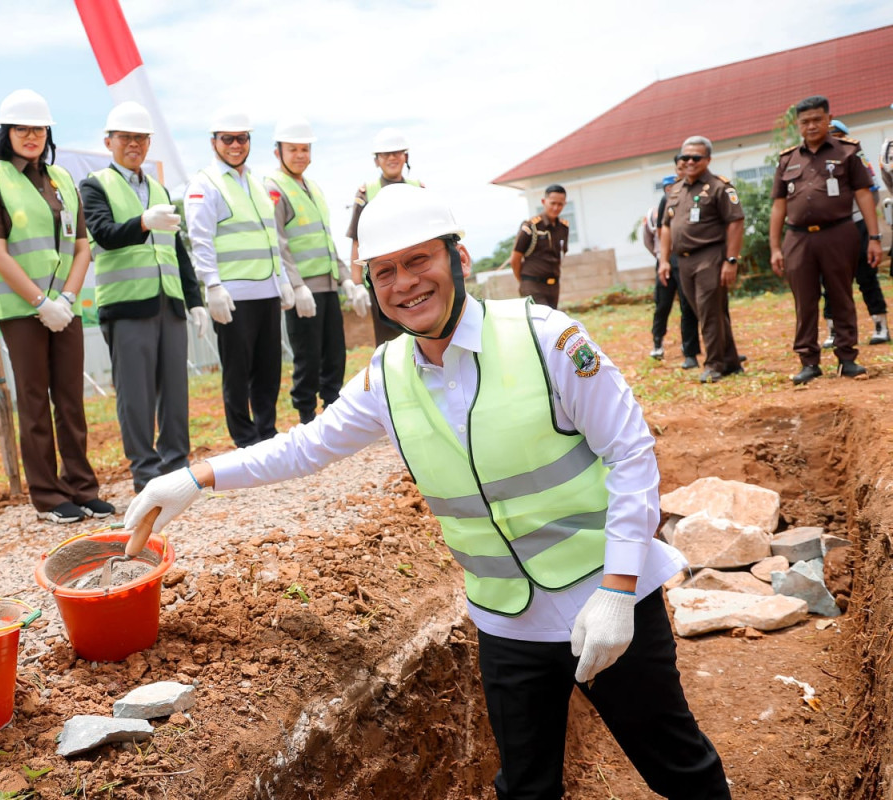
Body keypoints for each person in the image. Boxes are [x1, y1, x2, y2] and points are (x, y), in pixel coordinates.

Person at [125, 184, 731, 800]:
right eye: (385, 271)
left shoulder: (545, 339)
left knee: (679, 769)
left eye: (420, 261)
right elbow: (304, 447)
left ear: (458, 261)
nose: (405, 283)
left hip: (606, 602)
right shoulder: (386, 378)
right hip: (508, 623)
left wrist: (620, 589)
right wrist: (196, 477)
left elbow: (630, 453)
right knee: (526, 788)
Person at [0, 89, 114, 523]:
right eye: (21, 128)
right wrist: (39, 301)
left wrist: (67, 298)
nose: (31, 135)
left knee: (70, 399)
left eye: (38, 128)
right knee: (34, 400)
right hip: (21, 310)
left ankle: (81, 488)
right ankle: (49, 498)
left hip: (63, 307)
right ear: (6, 133)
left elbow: (81, 245)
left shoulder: (62, 179)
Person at [80, 102, 210, 494]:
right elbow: (102, 232)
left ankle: (176, 466)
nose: (134, 144)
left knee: (175, 391)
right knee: (135, 395)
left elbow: (177, 249)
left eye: (140, 138)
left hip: (167, 303)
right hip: (127, 305)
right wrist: (141, 222)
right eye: (126, 137)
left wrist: (195, 299)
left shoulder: (157, 188)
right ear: (109, 141)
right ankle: (146, 473)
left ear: (148, 142)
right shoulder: (95, 184)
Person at [184, 108, 290, 448]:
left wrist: (283, 279)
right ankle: (245, 439)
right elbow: (200, 240)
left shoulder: (257, 184)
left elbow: (271, 237)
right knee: (237, 373)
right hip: (233, 295)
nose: (235, 145)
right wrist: (212, 286)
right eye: (227, 139)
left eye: (241, 138)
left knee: (268, 369)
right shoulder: (205, 184)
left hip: (267, 291)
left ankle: (267, 433)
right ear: (214, 142)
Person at [770, 95, 883, 385]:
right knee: (804, 300)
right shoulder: (787, 159)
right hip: (798, 238)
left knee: (841, 294)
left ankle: (847, 357)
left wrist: (873, 237)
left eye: (817, 119)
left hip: (839, 233)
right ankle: (809, 361)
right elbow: (779, 205)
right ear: (798, 125)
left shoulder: (847, 151)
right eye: (805, 121)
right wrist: (774, 247)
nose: (811, 126)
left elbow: (863, 194)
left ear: (828, 119)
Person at [264, 115, 368, 425]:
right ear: (277, 152)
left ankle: (333, 412)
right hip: (303, 291)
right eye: (293, 149)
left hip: (327, 286)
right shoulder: (273, 188)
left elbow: (325, 240)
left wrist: (347, 279)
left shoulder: (314, 188)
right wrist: (296, 286)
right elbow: (278, 242)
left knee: (334, 353)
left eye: (305, 149)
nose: (300, 155)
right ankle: (308, 417)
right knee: (307, 357)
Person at [659, 136, 745, 384]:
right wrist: (664, 260)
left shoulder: (720, 187)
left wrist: (731, 259)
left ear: (707, 159)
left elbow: (736, 222)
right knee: (706, 312)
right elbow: (665, 227)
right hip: (683, 261)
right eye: (685, 157)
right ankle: (731, 361)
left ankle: (714, 365)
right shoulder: (675, 189)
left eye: (696, 157)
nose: (689, 162)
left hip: (710, 256)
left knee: (709, 311)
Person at [346, 127, 421, 347]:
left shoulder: (418, 189)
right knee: (389, 340)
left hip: (417, 272)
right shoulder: (365, 193)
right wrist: (357, 283)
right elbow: (357, 240)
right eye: (385, 154)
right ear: (376, 161)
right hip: (383, 277)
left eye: (397, 153)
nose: (392, 158)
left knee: (421, 333)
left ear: (405, 157)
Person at [820, 119, 887, 347]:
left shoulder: (856, 157)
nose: (833, 138)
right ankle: (832, 331)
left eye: (837, 134)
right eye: (829, 135)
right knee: (829, 281)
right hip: (829, 229)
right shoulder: (817, 160)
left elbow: (873, 193)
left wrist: (868, 225)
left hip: (856, 223)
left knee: (866, 276)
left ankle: (880, 326)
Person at [645, 171, 701, 368]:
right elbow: (656, 234)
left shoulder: (691, 200)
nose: (671, 190)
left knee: (688, 306)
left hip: (685, 262)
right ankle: (657, 341)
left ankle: (690, 351)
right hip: (666, 263)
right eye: (668, 188)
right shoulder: (664, 203)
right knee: (663, 305)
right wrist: (662, 258)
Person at [510, 185, 569, 308]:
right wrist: (524, 282)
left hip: (553, 286)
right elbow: (515, 259)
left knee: (553, 323)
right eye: (552, 203)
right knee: (543, 323)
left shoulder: (563, 228)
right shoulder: (531, 227)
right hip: (533, 285)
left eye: (560, 204)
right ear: (544, 201)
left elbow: (560, 256)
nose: (556, 208)